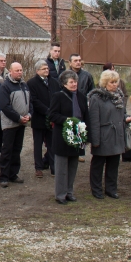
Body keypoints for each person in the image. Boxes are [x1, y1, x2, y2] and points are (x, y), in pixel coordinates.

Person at [86, 70, 129, 200]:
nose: (115, 85)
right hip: (104, 135)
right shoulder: (96, 98)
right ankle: (96, 189)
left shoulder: (119, 96)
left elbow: (122, 113)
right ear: (105, 83)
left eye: (116, 82)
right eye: (112, 82)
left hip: (117, 135)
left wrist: (126, 118)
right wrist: (95, 140)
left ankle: (111, 189)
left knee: (113, 164)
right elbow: (94, 120)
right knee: (98, 164)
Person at [47, 70, 88, 204]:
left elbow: (85, 116)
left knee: (73, 166)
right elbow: (52, 115)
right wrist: (68, 120)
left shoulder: (81, 97)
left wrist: (85, 133)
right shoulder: (58, 96)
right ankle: (60, 194)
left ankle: (69, 192)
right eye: (71, 82)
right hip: (62, 137)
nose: (74, 84)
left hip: (77, 136)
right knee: (61, 168)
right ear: (64, 83)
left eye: (75, 82)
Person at [0, 62, 31, 188]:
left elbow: (30, 103)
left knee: (17, 150)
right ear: (10, 71)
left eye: (21, 70)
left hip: (21, 124)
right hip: (10, 124)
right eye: (17, 70)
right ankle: (4, 177)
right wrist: (18, 118)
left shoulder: (24, 85)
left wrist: (29, 115)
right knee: (7, 150)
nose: (19, 72)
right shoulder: (5, 86)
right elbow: (5, 106)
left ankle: (13, 174)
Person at [28, 59, 57, 178]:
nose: (46, 70)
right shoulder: (32, 83)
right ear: (37, 71)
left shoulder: (54, 82)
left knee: (51, 144)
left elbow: (57, 97)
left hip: (52, 119)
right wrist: (47, 111)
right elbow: (34, 100)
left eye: (47, 68)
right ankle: (38, 167)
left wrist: (54, 112)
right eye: (44, 69)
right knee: (38, 144)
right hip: (39, 118)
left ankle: (53, 167)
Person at [102, 62, 131, 163]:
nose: (113, 70)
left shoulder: (120, 82)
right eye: (111, 69)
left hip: (121, 109)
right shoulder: (99, 91)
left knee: (125, 131)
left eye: (114, 68)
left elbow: (125, 94)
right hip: (108, 120)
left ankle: (127, 155)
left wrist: (122, 105)